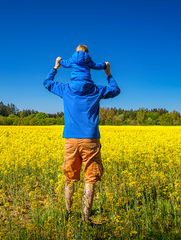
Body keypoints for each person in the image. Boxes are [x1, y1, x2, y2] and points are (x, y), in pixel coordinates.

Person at [43, 48, 120, 225]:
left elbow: (47, 83)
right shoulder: (95, 90)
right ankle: (86, 220)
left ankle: (68, 214)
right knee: (90, 179)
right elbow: (115, 90)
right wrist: (108, 74)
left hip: (70, 139)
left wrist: (55, 67)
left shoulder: (66, 89)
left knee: (70, 178)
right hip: (90, 140)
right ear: (89, 68)